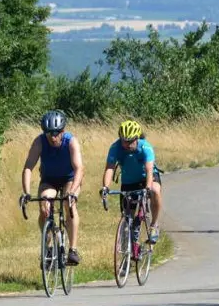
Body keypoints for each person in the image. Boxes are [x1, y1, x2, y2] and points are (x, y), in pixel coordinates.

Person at [19, 110, 85, 265]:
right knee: (45, 207)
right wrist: (26, 192)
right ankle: (48, 246)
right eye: (48, 133)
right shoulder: (39, 142)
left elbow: (79, 169)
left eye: (56, 133)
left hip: (70, 179)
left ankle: (73, 250)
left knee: (69, 204)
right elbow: (28, 167)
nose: (52, 137)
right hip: (49, 180)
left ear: (62, 131)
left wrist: (72, 192)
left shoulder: (71, 142)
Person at [100, 119, 164, 243]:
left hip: (147, 177)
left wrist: (148, 188)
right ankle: (128, 247)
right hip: (129, 181)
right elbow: (109, 168)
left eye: (131, 141)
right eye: (124, 141)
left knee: (155, 190)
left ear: (137, 138)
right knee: (127, 218)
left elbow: (149, 169)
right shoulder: (115, 148)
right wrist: (105, 187)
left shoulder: (145, 147)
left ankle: (154, 225)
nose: (127, 144)